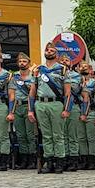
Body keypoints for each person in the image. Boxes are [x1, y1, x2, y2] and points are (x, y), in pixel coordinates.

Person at [28, 43, 68, 174]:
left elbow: (67, 92)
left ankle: (59, 161)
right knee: (45, 135)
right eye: (47, 50)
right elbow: (32, 91)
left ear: (56, 54)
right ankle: (49, 161)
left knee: (58, 134)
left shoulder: (62, 69)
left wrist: (66, 109)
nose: (49, 52)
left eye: (52, 51)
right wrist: (30, 110)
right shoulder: (38, 70)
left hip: (56, 103)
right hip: (41, 103)